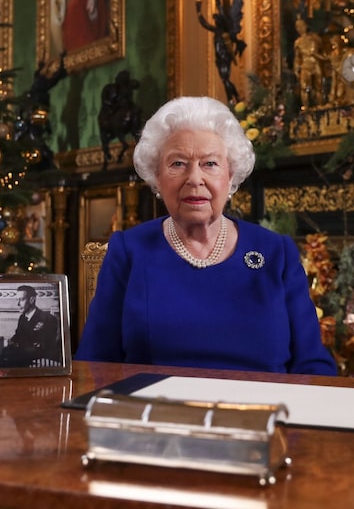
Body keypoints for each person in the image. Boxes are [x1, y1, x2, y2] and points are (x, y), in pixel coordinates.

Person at [76, 96, 337, 375]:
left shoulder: (276, 252)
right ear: (157, 177)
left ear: (230, 174)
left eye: (210, 163)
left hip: (261, 414)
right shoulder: (129, 251)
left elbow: (312, 363)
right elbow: (94, 363)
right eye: (178, 163)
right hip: (155, 413)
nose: (195, 179)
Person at [195, 0, 246, 104]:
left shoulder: (225, 31)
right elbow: (204, 24)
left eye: (217, 19)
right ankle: (235, 98)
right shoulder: (217, 31)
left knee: (225, 79)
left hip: (224, 58)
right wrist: (198, 11)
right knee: (225, 80)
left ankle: (232, 99)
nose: (216, 21)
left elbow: (222, 10)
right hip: (219, 58)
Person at [1, 285, 61, 367]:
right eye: (17, 300)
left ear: (32, 300)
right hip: (23, 355)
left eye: (21, 300)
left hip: (39, 360)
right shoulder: (22, 318)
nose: (17, 304)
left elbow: (44, 346)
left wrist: (18, 346)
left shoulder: (47, 319)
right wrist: (9, 342)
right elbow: (17, 336)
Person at [293, 17, 325, 108]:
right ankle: (306, 108)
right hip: (305, 65)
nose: (300, 28)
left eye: (302, 26)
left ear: (306, 26)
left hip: (316, 64)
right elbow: (297, 57)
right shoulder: (298, 42)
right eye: (298, 27)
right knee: (304, 87)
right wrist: (296, 68)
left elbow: (323, 51)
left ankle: (320, 107)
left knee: (318, 87)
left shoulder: (315, 38)